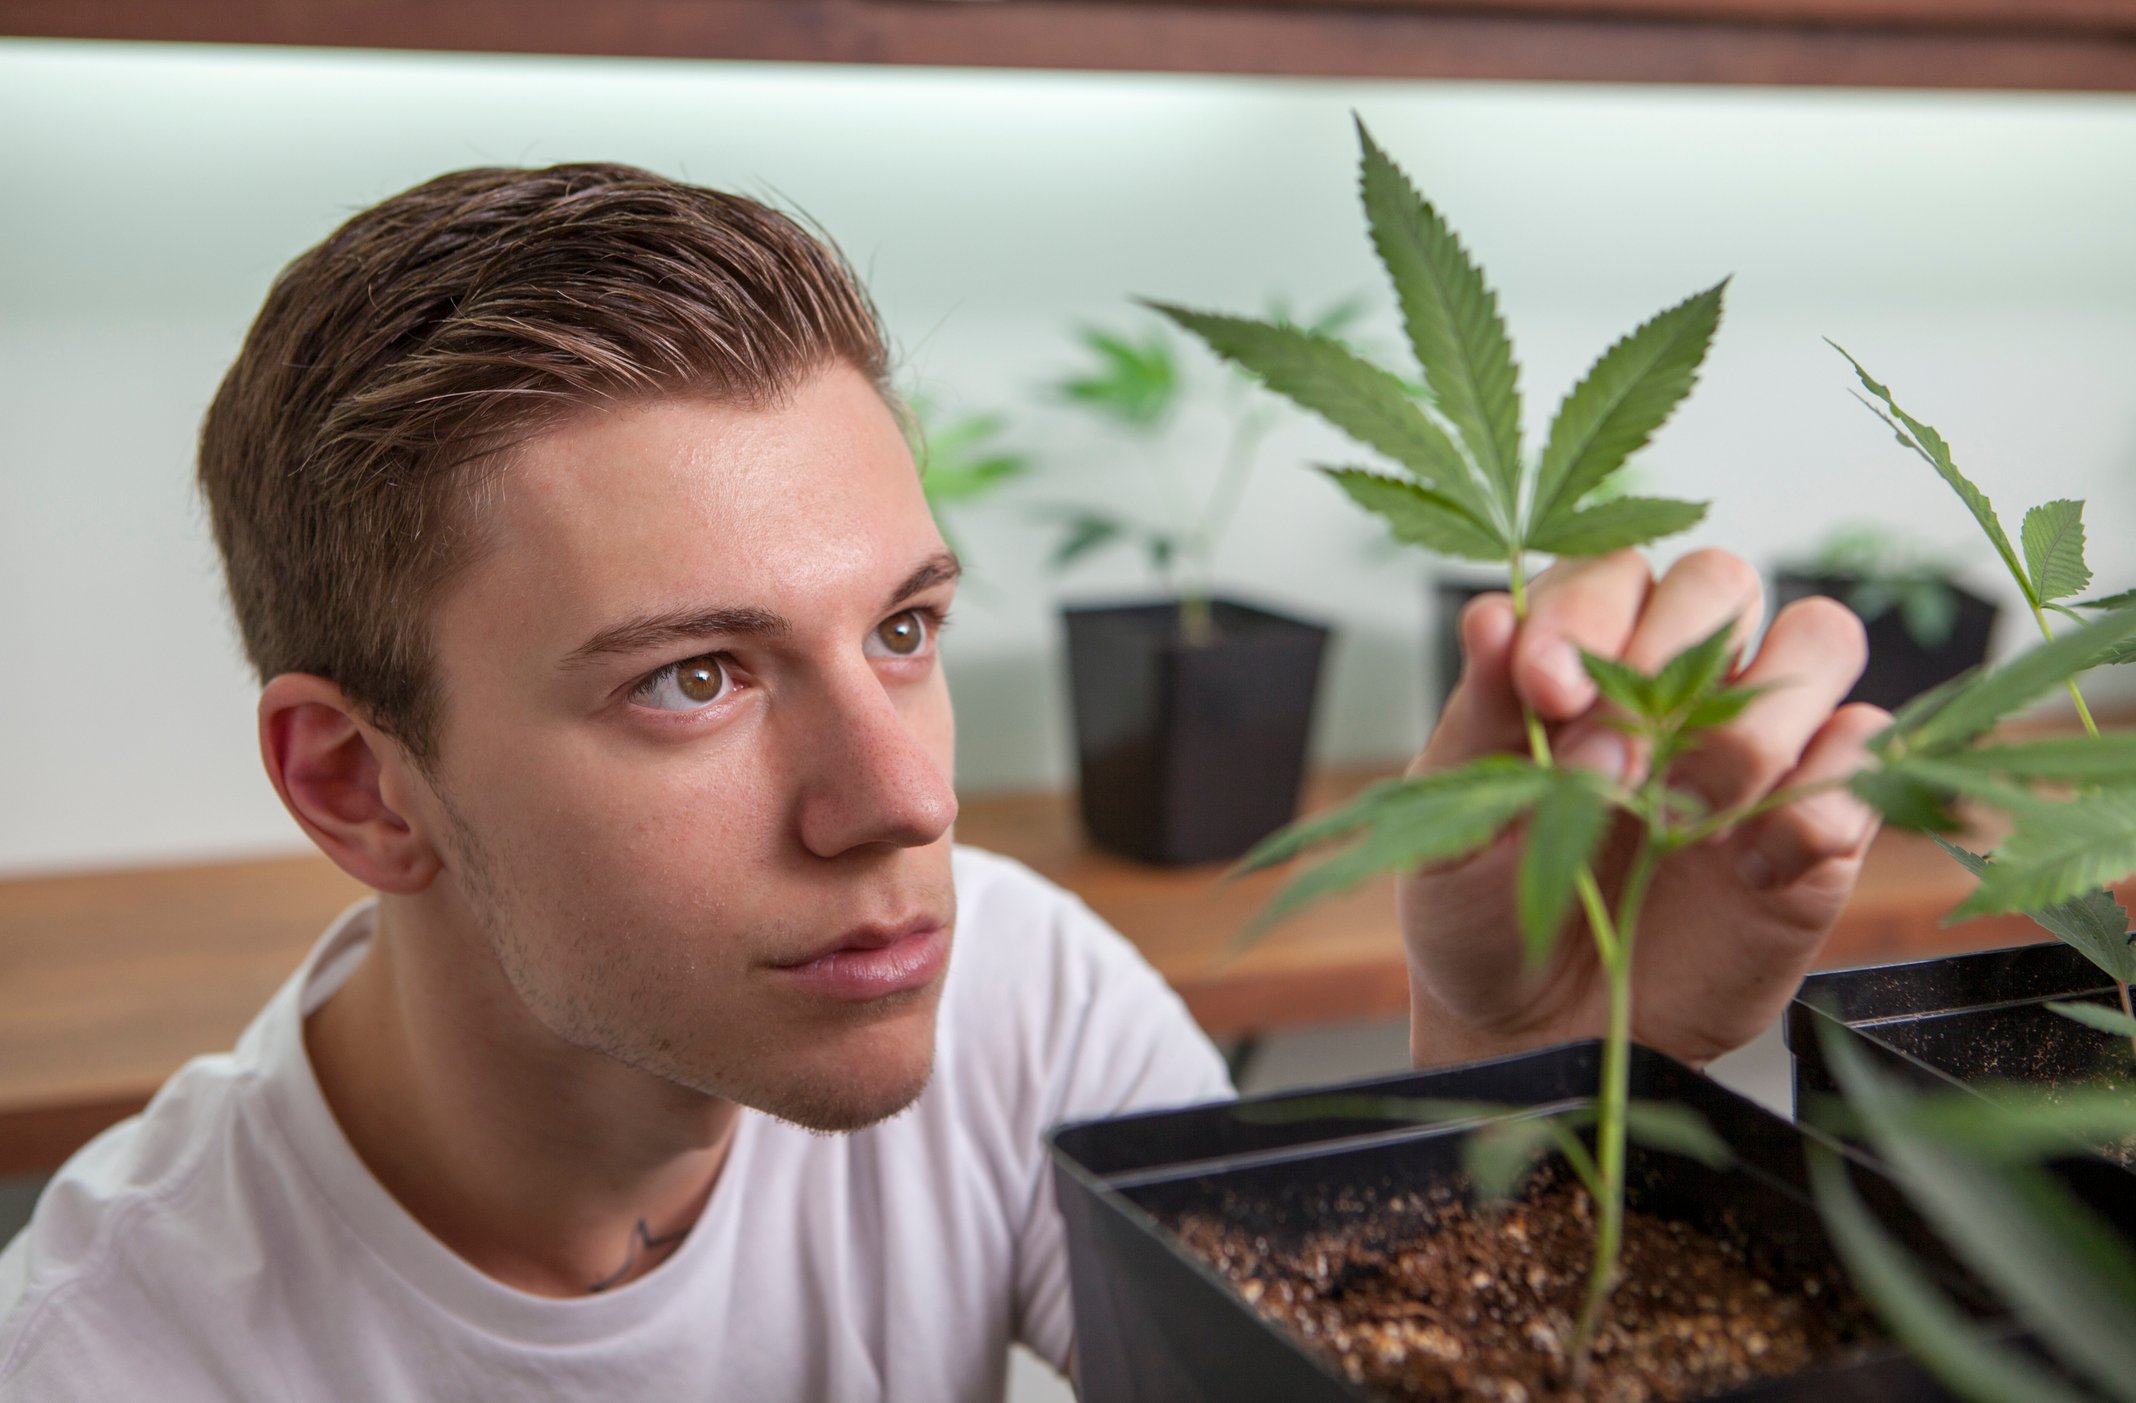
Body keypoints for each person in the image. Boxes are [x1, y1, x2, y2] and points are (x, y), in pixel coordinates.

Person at [0, 163, 1880, 1401]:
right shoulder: (115, 1353)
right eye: (695, 678)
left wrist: (1521, 1081)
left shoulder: (1017, 993)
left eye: (903, 630)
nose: (899, 805)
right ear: (359, 786)